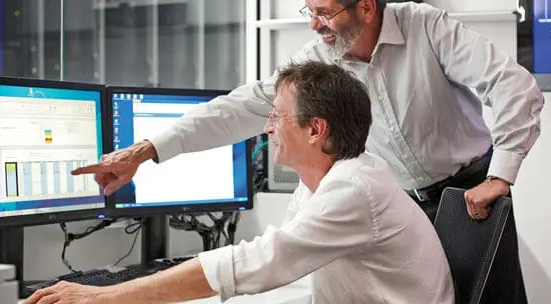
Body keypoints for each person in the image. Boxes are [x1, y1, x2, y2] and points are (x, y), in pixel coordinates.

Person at [73, 0, 543, 223]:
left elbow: (512, 85)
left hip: (469, 193)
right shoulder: (317, 59)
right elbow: (239, 107)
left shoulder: (427, 26)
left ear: (365, 5)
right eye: (308, 11)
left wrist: (500, 176)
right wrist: (146, 149)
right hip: (399, 204)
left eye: (324, 12)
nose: (316, 25)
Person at [25, 61, 455, 304]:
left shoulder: (353, 191)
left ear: (315, 129)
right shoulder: (325, 181)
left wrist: (106, 298)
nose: (266, 126)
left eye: (277, 115)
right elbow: (281, 277)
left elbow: (259, 263)